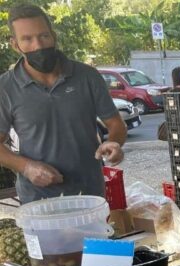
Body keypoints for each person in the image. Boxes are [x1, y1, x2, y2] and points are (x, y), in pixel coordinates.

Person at [0, 4, 125, 204]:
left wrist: (114, 142)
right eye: (27, 39)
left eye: (43, 36)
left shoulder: (87, 76)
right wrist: (26, 167)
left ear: (54, 36)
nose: (38, 45)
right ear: (15, 45)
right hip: (38, 201)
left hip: (90, 195)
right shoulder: (5, 88)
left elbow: (116, 124)